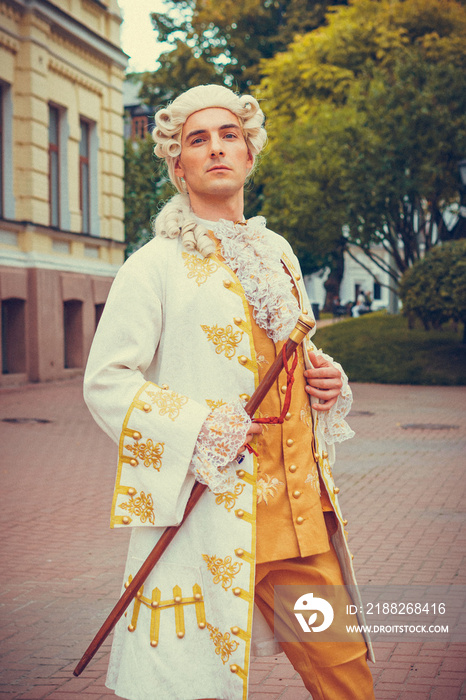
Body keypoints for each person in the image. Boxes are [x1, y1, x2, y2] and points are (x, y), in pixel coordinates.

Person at [83, 84, 375, 700]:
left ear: (248, 154)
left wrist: (325, 377)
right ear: (178, 163)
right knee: (191, 685)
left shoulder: (281, 255)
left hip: (300, 518)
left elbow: (285, 353)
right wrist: (197, 425)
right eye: (198, 139)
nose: (216, 148)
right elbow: (106, 380)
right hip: (209, 516)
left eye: (229, 135)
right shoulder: (153, 265)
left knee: (347, 674)